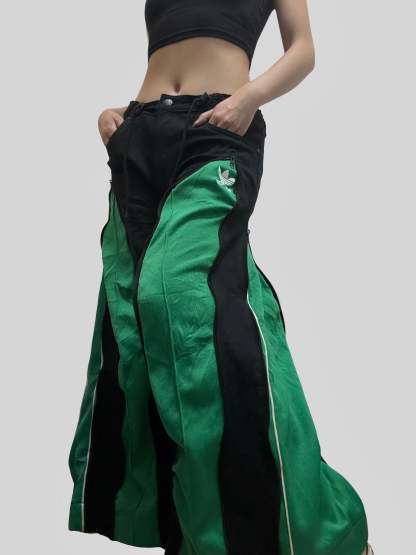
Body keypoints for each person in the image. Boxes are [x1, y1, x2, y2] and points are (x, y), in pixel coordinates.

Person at [67, 1, 373, 554]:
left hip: (219, 126)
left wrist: (249, 98)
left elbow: (303, 50)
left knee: (175, 297)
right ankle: (195, 532)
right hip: (139, 132)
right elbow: (168, 51)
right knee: (137, 326)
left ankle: (322, 529)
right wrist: (117, 115)